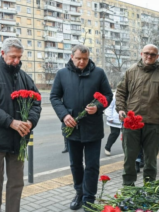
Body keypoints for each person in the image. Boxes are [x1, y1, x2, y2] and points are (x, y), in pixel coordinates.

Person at [0, 38, 42, 212]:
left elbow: (36, 102)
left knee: (16, 183)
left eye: (19, 57)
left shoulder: (24, 77)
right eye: (13, 57)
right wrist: (10, 122)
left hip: (18, 140)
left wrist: (30, 121)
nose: (17, 61)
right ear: (2, 53)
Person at [50, 45, 113, 211]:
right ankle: (79, 192)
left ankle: (89, 199)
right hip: (72, 127)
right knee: (75, 164)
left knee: (92, 165)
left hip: (93, 128)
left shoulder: (98, 73)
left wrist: (98, 107)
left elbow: (108, 95)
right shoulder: (62, 74)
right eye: (78, 58)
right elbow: (54, 97)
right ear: (72, 57)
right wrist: (64, 115)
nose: (81, 62)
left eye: (85, 59)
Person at [116, 44, 159, 186]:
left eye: (153, 54)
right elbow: (120, 92)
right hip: (131, 122)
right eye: (147, 53)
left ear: (157, 57)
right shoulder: (130, 71)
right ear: (141, 53)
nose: (149, 56)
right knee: (129, 158)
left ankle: (148, 189)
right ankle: (128, 188)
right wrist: (120, 109)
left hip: (153, 122)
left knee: (151, 160)